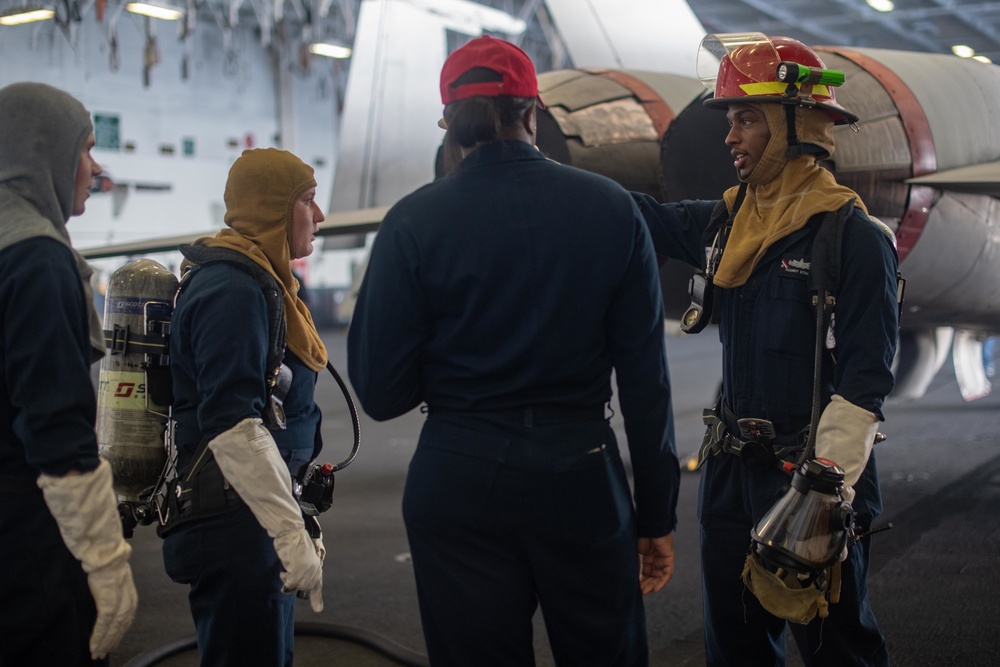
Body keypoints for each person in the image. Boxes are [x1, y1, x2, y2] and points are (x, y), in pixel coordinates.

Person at [348, 35, 679, 666]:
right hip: (580, 476)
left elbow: (382, 392)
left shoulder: (412, 222)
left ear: (449, 122)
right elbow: (646, 384)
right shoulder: (611, 209)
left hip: (458, 476)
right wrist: (656, 515)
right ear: (533, 113)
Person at [632, 34, 898, 666]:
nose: (731, 137)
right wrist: (536, 170)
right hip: (730, 470)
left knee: (838, 646)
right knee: (735, 644)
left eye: (746, 119)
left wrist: (821, 489)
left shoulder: (854, 239)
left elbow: (865, 383)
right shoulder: (728, 223)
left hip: (810, 475)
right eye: (730, 120)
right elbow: (638, 216)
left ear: (797, 124)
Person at [161, 147, 327, 666]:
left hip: (252, 510)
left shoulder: (262, 282)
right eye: (308, 201)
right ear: (273, 209)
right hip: (234, 519)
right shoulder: (231, 288)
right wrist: (285, 527)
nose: (319, 217)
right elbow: (230, 422)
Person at [0, 82, 138, 665]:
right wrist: (106, 563)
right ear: (44, 152)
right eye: (84, 148)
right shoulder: (36, 257)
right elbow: (56, 429)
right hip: (28, 537)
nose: (95, 166)